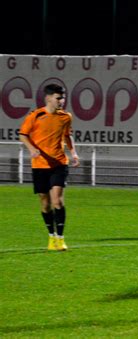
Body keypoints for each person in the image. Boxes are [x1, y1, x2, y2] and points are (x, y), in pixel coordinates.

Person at [19, 84, 80, 251]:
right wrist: (32, 149)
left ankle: (60, 238)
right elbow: (23, 134)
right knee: (45, 203)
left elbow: (68, 135)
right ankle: (51, 237)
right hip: (39, 165)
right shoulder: (36, 115)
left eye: (63, 98)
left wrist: (74, 153)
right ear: (48, 98)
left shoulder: (66, 117)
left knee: (57, 200)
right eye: (58, 98)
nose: (62, 101)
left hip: (59, 163)